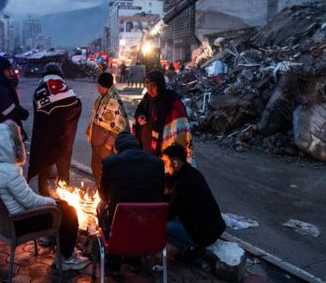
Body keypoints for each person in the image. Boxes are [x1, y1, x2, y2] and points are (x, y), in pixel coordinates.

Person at [0, 121, 90, 271]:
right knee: (69, 213)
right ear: (6, 146)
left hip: (1, 220)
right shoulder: (10, 172)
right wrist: (52, 202)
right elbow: (31, 202)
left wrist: (55, 202)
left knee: (61, 204)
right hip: (19, 223)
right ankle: (67, 258)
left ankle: (57, 241)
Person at [97, 131, 165, 274]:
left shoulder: (110, 162)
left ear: (117, 148)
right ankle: (135, 260)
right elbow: (160, 192)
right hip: (149, 223)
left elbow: (103, 194)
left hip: (120, 222)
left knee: (101, 205)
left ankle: (114, 262)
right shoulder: (158, 163)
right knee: (140, 208)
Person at [162, 144, 225, 263]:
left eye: (166, 163)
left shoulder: (183, 184)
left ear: (175, 163)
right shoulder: (194, 173)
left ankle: (190, 249)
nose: (165, 167)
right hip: (214, 228)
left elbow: (169, 214)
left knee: (158, 227)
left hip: (204, 234)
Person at [28, 63, 81, 197]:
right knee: (63, 171)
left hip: (45, 142)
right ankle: (64, 199)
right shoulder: (67, 89)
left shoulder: (39, 90)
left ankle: (44, 198)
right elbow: (76, 106)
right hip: (64, 140)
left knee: (44, 171)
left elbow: (39, 115)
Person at [133, 70, 195, 165]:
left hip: (162, 154)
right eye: (147, 87)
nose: (150, 90)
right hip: (144, 150)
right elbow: (140, 111)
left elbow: (180, 130)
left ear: (160, 85)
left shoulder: (172, 102)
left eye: (153, 86)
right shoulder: (147, 98)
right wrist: (140, 117)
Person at [85, 72, 129, 187]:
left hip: (105, 145)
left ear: (104, 86)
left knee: (107, 172)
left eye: (98, 85)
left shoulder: (114, 101)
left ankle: (107, 197)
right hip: (96, 142)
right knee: (96, 168)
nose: (97, 87)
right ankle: (100, 193)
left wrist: (109, 143)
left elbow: (120, 125)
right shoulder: (101, 98)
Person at [0, 57, 29, 138]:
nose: (11, 73)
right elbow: (11, 112)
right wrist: (23, 113)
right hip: (1, 135)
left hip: (0, 132)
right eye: (8, 70)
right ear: (1, 71)